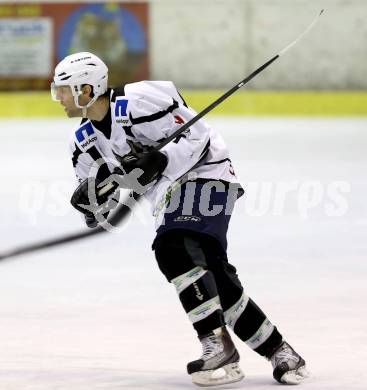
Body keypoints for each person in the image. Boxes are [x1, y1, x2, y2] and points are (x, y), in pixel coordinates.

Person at [51, 52, 309, 386]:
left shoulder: (138, 102)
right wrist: (92, 203)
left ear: (87, 90)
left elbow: (198, 137)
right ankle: (280, 352)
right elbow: (100, 203)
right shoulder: (84, 142)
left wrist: (162, 157)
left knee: (173, 247)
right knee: (211, 273)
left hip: (207, 173)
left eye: (64, 90)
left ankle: (215, 345)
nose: (59, 98)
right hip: (170, 196)